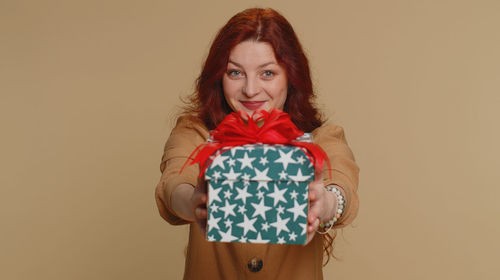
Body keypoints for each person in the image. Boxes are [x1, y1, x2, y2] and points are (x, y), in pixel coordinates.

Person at [155, 8, 359, 279]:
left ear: (291, 75)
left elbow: (342, 183)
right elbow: (174, 182)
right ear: (219, 77)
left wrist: (328, 203)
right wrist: (193, 201)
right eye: (235, 73)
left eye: (267, 73)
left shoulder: (321, 139)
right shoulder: (196, 133)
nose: (250, 90)